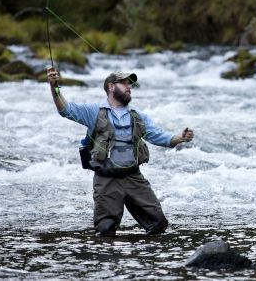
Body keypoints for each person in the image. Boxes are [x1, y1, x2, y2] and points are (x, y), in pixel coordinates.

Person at [46, 67, 194, 237]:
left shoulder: (137, 115)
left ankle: (143, 257)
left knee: (159, 224)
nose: (129, 86)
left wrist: (180, 138)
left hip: (134, 178)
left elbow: (159, 136)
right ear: (111, 87)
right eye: (124, 83)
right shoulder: (93, 111)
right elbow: (66, 110)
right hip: (106, 180)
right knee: (105, 232)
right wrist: (54, 87)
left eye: (130, 84)